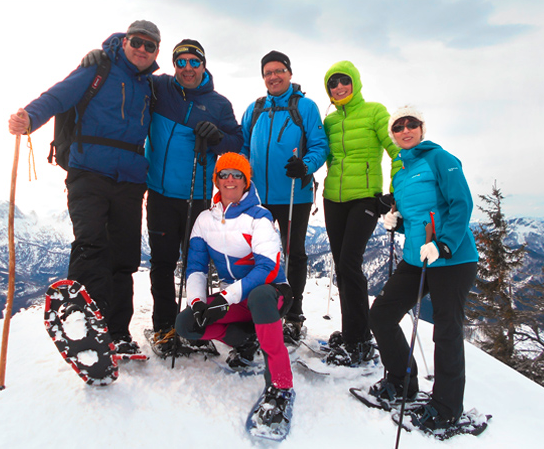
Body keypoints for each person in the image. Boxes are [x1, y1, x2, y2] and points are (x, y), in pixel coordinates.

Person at [8, 20, 161, 354]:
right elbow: (57, 97)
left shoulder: (151, 85)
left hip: (131, 180)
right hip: (88, 172)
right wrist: (30, 118)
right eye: (137, 41)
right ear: (124, 42)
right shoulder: (97, 69)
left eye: (150, 46)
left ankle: (117, 331)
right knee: (91, 244)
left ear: (156, 53)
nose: (142, 49)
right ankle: (85, 323)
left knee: (124, 257)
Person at [368, 105, 478, 431]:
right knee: (382, 315)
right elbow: (417, 220)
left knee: (446, 332)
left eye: (411, 124)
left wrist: (444, 244)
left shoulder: (440, 159)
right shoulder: (401, 173)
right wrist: (396, 222)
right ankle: (403, 381)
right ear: (394, 134)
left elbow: (462, 204)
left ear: (421, 128)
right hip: (419, 258)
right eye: (398, 127)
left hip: (453, 259)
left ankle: (446, 407)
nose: (405, 130)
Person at [175, 152, 295, 429]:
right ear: (216, 180)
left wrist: (223, 299)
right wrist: (197, 303)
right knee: (186, 324)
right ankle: (245, 340)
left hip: (272, 294)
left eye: (237, 174)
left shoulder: (260, 217)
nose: (230, 179)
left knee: (260, 295)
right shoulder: (205, 220)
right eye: (224, 174)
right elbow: (195, 267)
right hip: (236, 299)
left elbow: (266, 269)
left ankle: (280, 386)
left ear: (246, 180)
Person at [146, 40, 244, 355]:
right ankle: (164, 327)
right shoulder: (159, 88)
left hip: (199, 198)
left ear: (203, 65)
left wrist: (217, 137)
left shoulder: (218, 104)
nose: (187, 68)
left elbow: (236, 143)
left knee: (196, 264)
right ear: (174, 64)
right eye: (181, 62)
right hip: (160, 193)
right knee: (162, 262)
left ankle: (196, 323)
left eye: (193, 62)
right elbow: (132, 69)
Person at [241, 51, 329, 344]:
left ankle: (294, 316)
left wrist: (306, 165)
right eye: (268, 72)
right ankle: (257, 311)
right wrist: (240, 175)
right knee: (256, 257)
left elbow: (319, 145)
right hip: (257, 197)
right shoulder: (254, 110)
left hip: (294, 195)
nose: (273, 76)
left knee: (294, 255)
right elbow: (243, 147)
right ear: (263, 77)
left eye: (279, 70)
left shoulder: (305, 107)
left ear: (289, 74)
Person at [322, 60, 401, 366]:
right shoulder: (329, 122)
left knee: (349, 263)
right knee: (342, 269)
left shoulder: (375, 112)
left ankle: (361, 341)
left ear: (355, 81)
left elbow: (397, 152)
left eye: (344, 81)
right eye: (333, 83)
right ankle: (352, 331)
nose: (339, 87)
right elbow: (323, 153)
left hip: (365, 198)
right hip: (333, 198)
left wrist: (393, 193)